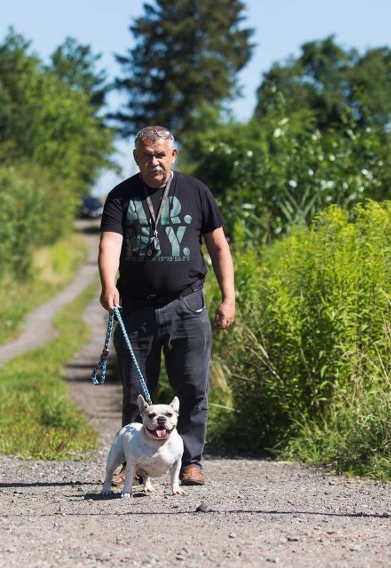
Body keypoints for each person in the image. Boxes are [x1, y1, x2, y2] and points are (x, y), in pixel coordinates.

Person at [98, 125, 235, 486]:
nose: (154, 161)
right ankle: (133, 463)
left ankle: (190, 462)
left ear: (173, 155)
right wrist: (108, 284)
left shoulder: (196, 191)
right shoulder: (121, 196)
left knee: (192, 387)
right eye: (147, 155)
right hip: (137, 308)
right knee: (136, 393)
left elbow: (219, 247)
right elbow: (111, 244)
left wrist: (228, 296)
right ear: (136, 157)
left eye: (160, 154)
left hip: (187, 304)